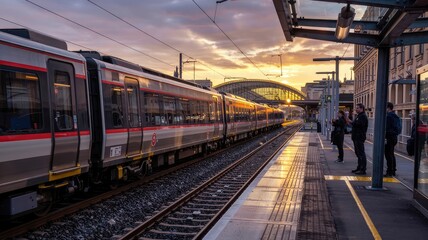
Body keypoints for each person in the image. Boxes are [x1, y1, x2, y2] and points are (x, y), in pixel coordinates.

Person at [348, 103, 368, 175]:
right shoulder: (358, 116)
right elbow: (356, 124)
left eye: (357, 108)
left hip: (359, 137)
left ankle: (363, 169)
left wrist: (351, 122)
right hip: (356, 136)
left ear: (361, 108)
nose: (356, 109)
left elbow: (359, 125)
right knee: (358, 153)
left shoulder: (362, 116)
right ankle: (359, 167)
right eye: (356, 108)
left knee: (361, 153)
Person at [384, 102, 401, 177]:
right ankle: (393, 170)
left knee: (388, 154)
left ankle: (389, 171)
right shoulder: (395, 116)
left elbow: (386, 127)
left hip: (389, 137)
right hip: (394, 137)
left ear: (388, 108)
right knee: (391, 154)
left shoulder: (388, 116)